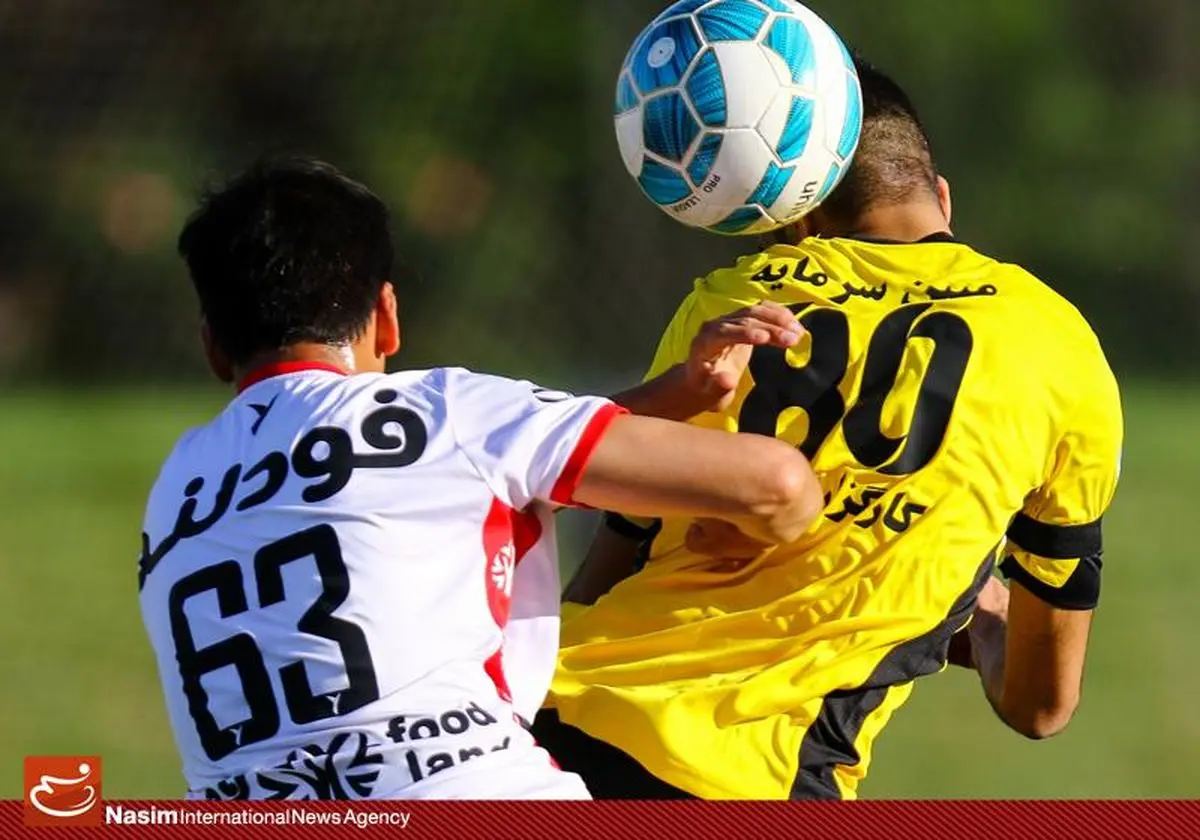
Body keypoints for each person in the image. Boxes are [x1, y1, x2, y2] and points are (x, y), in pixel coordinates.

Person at [136, 156, 825, 801]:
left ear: (212, 346)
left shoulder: (178, 487)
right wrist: (751, 534)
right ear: (388, 315)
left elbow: (455, 472)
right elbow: (777, 484)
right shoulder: (440, 414)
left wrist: (674, 393)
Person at [534, 57, 1124, 800]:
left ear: (797, 218)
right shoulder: (1056, 342)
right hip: (750, 779)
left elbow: (606, 572)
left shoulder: (735, 305)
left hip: (541, 730)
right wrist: (974, 618)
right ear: (939, 195)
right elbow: (1041, 705)